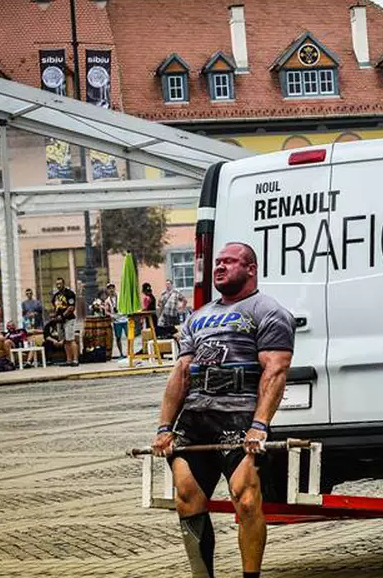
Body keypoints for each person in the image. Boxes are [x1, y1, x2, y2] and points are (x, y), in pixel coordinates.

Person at [151, 243, 295, 578]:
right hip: (196, 416)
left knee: (245, 501)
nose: (219, 267)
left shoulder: (269, 311)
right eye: (218, 262)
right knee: (187, 497)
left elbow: (275, 370)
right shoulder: (197, 317)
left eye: (229, 262)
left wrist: (260, 425)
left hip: (241, 415)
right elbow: (181, 373)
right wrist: (163, 427)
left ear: (250, 269)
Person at [51, 277, 79, 367]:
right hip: (59, 321)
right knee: (65, 341)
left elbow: (71, 308)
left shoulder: (69, 293)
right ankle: (68, 360)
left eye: (60, 283)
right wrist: (54, 317)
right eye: (57, 284)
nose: (58, 285)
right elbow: (56, 308)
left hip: (68, 319)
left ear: (64, 283)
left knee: (71, 339)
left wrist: (62, 316)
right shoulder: (56, 296)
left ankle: (75, 359)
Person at [107, 283, 129, 359]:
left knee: (129, 336)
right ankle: (121, 353)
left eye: (112, 288)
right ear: (108, 290)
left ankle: (130, 352)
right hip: (117, 321)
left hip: (125, 319)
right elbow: (106, 310)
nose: (111, 290)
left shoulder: (120, 296)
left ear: (115, 288)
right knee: (118, 338)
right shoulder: (108, 300)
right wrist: (111, 315)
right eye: (109, 288)